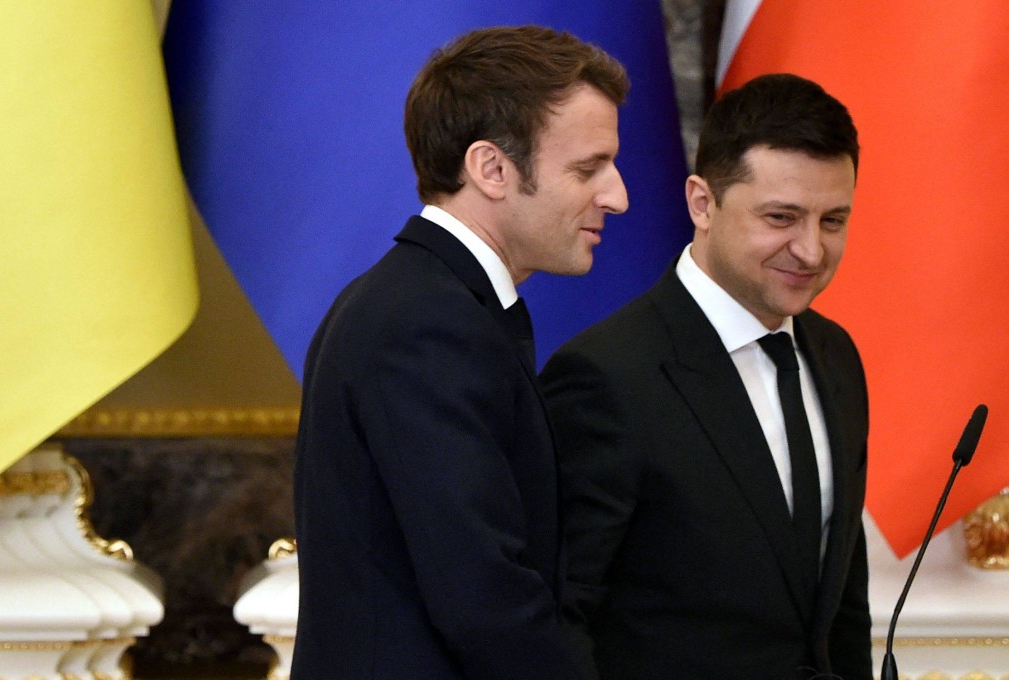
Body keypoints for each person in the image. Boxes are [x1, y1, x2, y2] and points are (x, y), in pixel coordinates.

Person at [291, 25, 629, 680]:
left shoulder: (418, 303)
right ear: (492, 169)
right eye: (588, 169)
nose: (618, 196)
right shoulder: (425, 324)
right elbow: (484, 597)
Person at [540, 73, 871, 679]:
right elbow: (559, 618)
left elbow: (842, 602)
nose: (811, 251)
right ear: (702, 203)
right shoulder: (606, 377)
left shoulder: (837, 356)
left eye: (832, 221)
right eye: (781, 217)